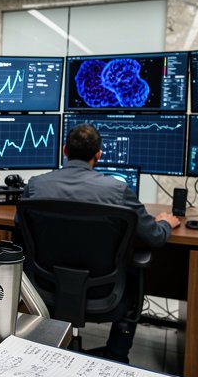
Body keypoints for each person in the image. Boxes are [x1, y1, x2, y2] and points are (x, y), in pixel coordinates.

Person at [23, 123, 181, 363]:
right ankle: (116, 355)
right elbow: (155, 237)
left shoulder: (36, 185)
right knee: (136, 273)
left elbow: (21, 226)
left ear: (64, 150)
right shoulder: (117, 190)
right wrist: (166, 223)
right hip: (104, 293)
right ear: (98, 154)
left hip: (46, 287)